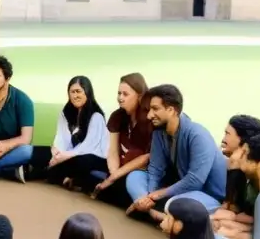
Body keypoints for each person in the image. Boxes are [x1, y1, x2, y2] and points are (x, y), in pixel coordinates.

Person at [125, 84, 226, 223]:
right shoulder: (159, 133)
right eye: (149, 110)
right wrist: (149, 196)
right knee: (135, 176)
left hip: (205, 195)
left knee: (176, 204)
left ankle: (152, 213)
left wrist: (159, 194)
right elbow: (155, 169)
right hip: (180, 190)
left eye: (155, 109)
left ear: (171, 110)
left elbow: (195, 181)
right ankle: (148, 209)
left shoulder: (197, 134)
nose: (149, 115)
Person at [28, 76, 108, 188]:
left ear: (87, 92)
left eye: (78, 91)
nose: (75, 96)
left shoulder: (96, 116)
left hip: (93, 157)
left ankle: (36, 173)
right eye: (72, 92)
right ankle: (65, 177)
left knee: (79, 161)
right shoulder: (66, 113)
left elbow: (89, 146)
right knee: (41, 152)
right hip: (71, 154)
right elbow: (61, 137)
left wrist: (65, 156)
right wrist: (56, 152)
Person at [90, 72, 153, 208]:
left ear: (140, 96)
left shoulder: (149, 121)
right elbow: (112, 150)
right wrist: (113, 174)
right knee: (89, 169)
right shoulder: (117, 116)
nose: (120, 98)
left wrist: (113, 178)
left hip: (140, 172)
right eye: (119, 93)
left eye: (125, 94)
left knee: (114, 185)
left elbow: (146, 157)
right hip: (119, 168)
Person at [214, 115, 260, 239]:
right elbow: (231, 206)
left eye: (228, 134)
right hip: (243, 222)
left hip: (258, 233)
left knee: (220, 229)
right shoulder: (236, 166)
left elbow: (253, 218)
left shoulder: (259, 174)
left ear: (244, 143)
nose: (223, 139)